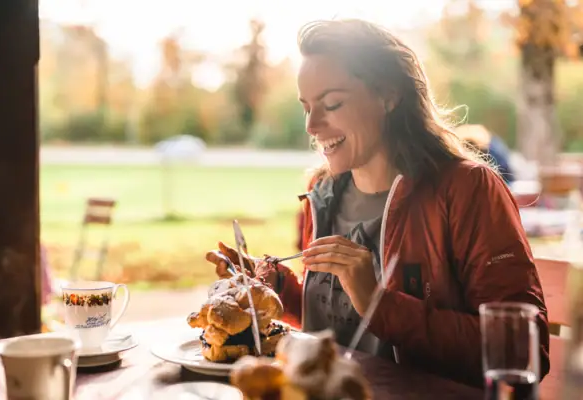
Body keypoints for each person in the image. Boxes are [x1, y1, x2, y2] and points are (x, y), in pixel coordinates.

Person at [206, 19, 549, 387]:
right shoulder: (321, 192)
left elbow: (520, 349)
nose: (311, 125)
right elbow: (339, 328)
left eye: (332, 103)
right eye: (306, 106)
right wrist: (273, 287)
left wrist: (378, 303)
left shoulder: (468, 190)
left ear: (388, 95)